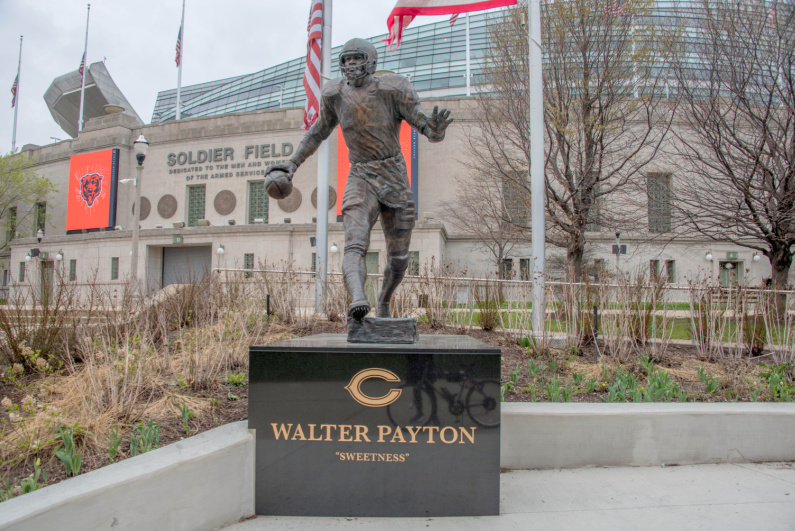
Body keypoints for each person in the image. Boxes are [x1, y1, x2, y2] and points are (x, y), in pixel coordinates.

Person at [265, 37, 453, 320]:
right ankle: (357, 298)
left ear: (372, 62)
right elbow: (317, 132)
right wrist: (292, 163)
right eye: (347, 59)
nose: (351, 64)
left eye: (357, 58)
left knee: (399, 259)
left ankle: (385, 299)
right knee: (354, 243)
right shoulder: (334, 94)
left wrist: (435, 131)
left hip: (393, 176)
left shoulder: (393, 88)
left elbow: (423, 123)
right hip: (360, 174)